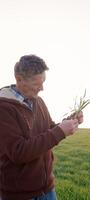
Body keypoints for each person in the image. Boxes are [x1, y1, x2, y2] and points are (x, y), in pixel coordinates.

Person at [0, 54, 83, 200]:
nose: (42, 88)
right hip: (19, 195)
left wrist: (70, 121)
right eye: (37, 84)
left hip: (48, 190)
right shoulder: (3, 108)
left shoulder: (38, 101)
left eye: (43, 82)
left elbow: (49, 129)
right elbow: (18, 152)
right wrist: (60, 131)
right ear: (19, 79)